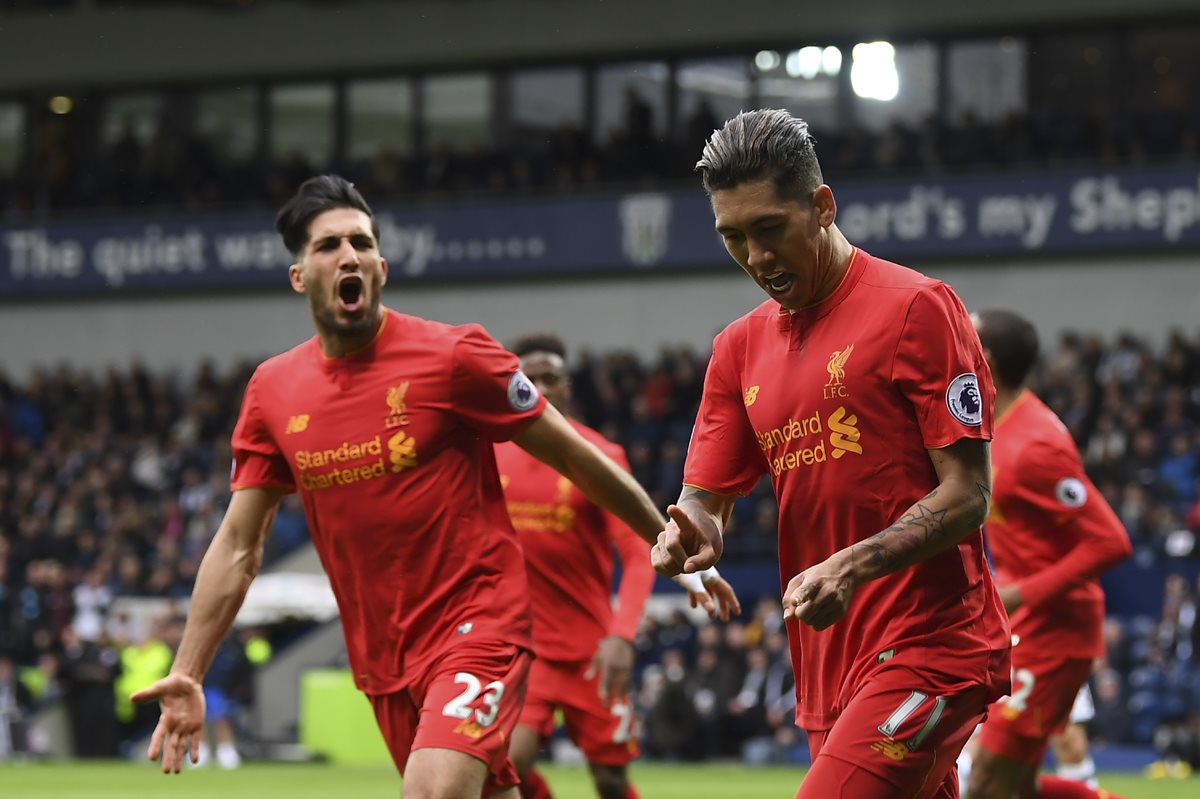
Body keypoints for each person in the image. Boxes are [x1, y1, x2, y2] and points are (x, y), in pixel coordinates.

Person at [131, 175, 726, 799]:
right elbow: (237, 545)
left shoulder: (454, 356)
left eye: (361, 242)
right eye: (329, 245)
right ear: (300, 274)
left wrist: (670, 538)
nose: (349, 255)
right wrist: (188, 670)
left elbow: (576, 456)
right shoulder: (271, 391)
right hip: (382, 654)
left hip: (479, 620)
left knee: (435, 792)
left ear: (382, 266)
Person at [650, 108, 1012, 798]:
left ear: (821, 206)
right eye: (733, 237)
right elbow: (708, 497)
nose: (755, 257)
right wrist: (691, 529)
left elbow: (969, 494)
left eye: (769, 229)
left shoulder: (918, 308)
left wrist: (849, 563)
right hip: (828, 658)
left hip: (935, 646)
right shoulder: (737, 348)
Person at [494, 333, 739, 799]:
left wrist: (622, 635)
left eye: (554, 379)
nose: (543, 389)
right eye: (532, 379)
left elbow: (636, 550)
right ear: (516, 385)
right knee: (507, 767)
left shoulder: (599, 456)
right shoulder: (492, 452)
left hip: (593, 652)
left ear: (568, 387)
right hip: (524, 651)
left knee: (610, 780)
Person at [963, 309, 1132, 799]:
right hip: (1026, 627)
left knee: (986, 787)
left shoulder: (1035, 443)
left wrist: (1018, 593)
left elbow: (1110, 540)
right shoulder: (994, 427)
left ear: (985, 358)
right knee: (1012, 788)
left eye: (963, 337)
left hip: (1053, 632)